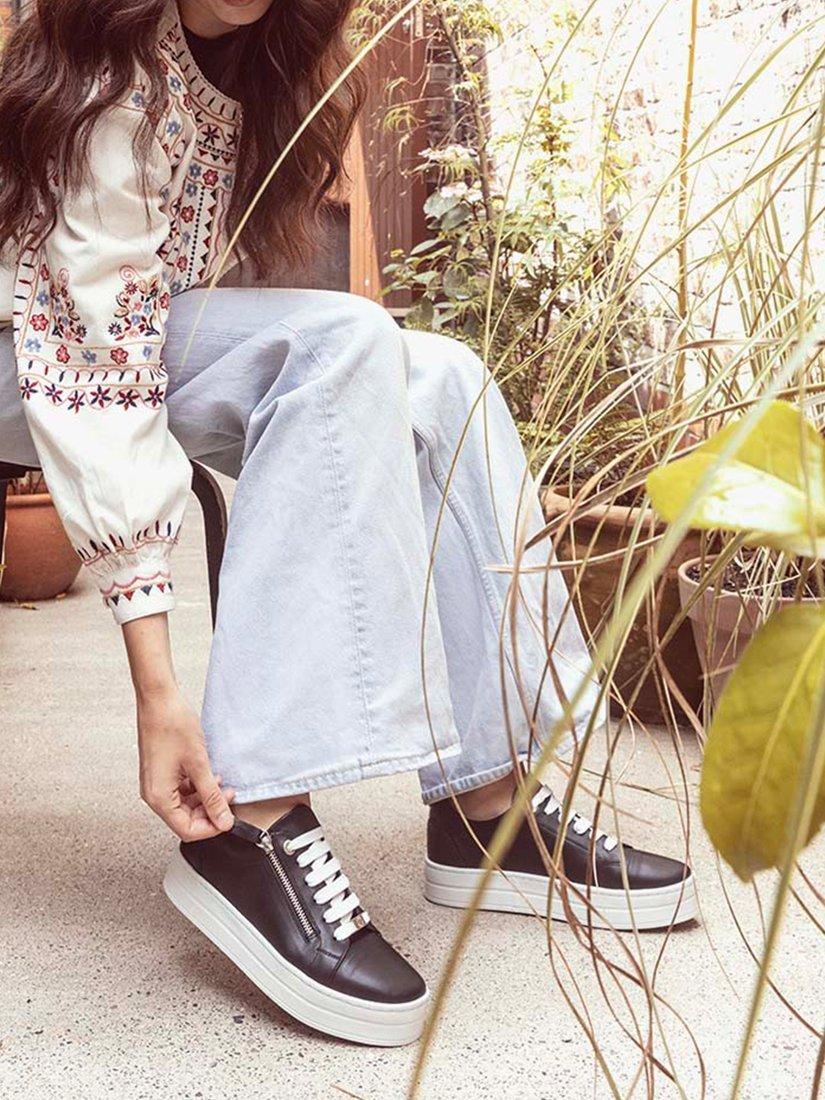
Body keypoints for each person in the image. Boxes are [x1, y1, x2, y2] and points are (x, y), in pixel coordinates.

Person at [0, 0, 696, 1047]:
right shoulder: (110, 72)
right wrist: (157, 687)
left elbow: (156, 313)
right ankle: (254, 814)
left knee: (445, 377)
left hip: (133, 331)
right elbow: (88, 363)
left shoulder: (258, 64)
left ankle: (487, 808)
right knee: (335, 341)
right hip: (31, 347)